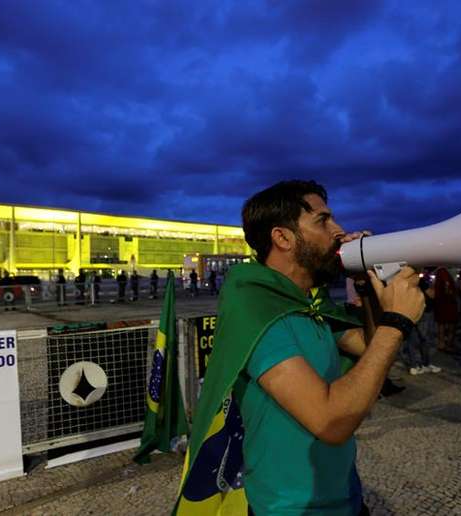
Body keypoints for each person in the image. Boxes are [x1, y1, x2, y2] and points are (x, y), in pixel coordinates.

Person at [175, 180, 424, 515]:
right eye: (323, 221)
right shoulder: (258, 312)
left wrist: (366, 288)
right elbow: (332, 421)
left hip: (345, 499)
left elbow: (369, 346)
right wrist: (396, 323)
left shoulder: (307, 305)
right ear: (283, 238)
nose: (340, 231)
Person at [433, 268, 459, 353]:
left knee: (441, 325)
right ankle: (449, 345)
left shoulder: (439, 273)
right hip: (450, 304)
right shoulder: (446, 274)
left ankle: (441, 344)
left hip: (440, 304)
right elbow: (448, 289)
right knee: (451, 326)